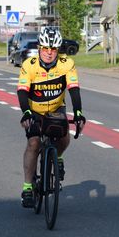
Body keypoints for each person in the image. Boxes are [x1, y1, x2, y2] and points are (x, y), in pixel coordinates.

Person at [17, 27, 86, 208]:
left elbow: (74, 89)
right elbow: (22, 91)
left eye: (53, 49)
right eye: (46, 48)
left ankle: (58, 157)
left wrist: (78, 113)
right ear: (39, 48)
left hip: (56, 108)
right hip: (35, 110)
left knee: (64, 138)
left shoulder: (66, 64)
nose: (49, 53)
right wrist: (26, 112)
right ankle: (27, 187)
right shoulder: (29, 65)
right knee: (34, 143)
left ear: (58, 50)